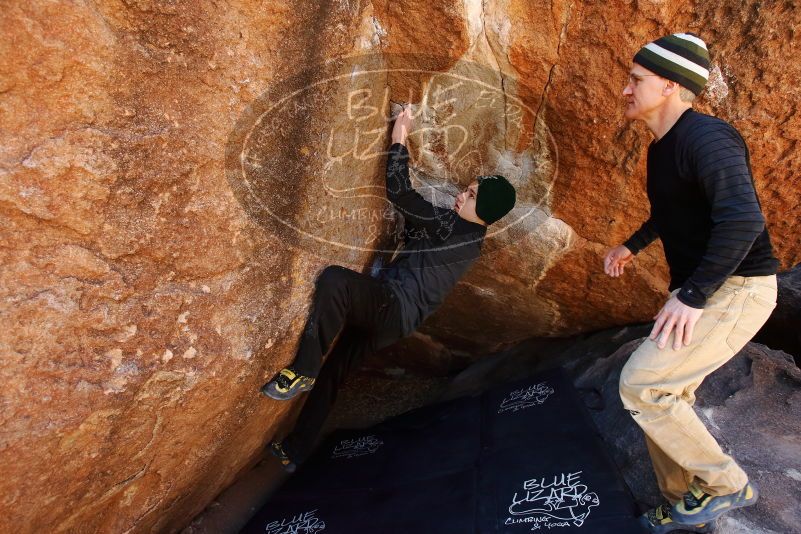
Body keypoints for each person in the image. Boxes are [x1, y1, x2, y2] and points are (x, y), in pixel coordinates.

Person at [260, 106, 516, 472]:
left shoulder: (451, 227)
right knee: (335, 372)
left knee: (336, 281)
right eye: (467, 189)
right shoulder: (468, 238)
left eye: (472, 195)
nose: (462, 195)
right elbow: (416, 233)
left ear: (484, 211)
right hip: (397, 321)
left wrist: (399, 136)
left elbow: (401, 193)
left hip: (391, 306)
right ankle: (296, 450)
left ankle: (303, 368)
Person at [603, 33, 780, 533]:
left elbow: (743, 221)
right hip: (706, 289)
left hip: (739, 288)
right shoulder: (663, 148)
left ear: (669, 85)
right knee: (667, 394)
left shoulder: (707, 137)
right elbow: (671, 213)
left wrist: (693, 296)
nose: (624, 89)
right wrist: (631, 246)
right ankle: (687, 501)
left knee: (643, 385)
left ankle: (727, 485)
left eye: (635, 80)